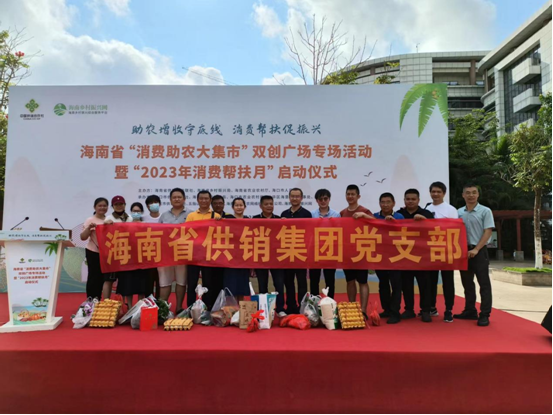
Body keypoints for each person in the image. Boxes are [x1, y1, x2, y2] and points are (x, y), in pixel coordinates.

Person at [356, 192, 404, 324]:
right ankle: (387, 309)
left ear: (393, 203)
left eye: (388, 202)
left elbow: (404, 232)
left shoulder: (399, 216)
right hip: (380, 256)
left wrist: (394, 223)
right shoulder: (375, 216)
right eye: (383, 202)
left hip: (395, 257)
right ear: (379, 203)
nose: (385, 204)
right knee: (383, 284)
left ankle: (395, 312)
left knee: (396, 285)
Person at [455, 184, 494, 327]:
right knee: (467, 283)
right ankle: (470, 310)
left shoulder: (485, 211)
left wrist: (476, 249)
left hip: (479, 251)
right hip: (463, 252)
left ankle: (484, 314)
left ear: (478, 195)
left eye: (474, 192)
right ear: (463, 195)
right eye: (468, 193)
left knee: (484, 284)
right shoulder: (458, 212)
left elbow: (488, 231)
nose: (471, 195)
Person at [397, 189, 434, 323]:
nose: (410, 201)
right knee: (406, 284)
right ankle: (409, 309)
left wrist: (425, 221)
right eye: (408, 199)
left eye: (413, 199)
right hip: (404, 255)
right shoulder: (399, 214)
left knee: (424, 284)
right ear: (404, 200)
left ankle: (425, 310)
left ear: (418, 200)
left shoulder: (426, 213)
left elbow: (435, 230)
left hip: (422, 256)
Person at [425, 181, 459, 323]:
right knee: (431, 281)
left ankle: (448, 310)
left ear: (444, 193)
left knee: (447, 281)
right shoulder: (427, 208)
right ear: (430, 193)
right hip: (431, 250)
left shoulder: (451, 209)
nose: (436, 194)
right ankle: (432, 307)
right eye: (433, 191)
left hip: (446, 251)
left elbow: (455, 229)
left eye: (439, 192)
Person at [186, 190, 222, 310]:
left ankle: (207, 307)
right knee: (192, 282)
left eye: (206, 199)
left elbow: (219, 235)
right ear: (197, 200)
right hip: (193, 254)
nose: (204, 201)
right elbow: (186, 232)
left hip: (209, 255)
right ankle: (190, 307)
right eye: (201, 198)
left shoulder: (216, 216)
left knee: (208, 282)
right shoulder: (191, 216)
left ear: (210, 200)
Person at [341, 184, 373, 318]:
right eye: (348, 194)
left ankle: (363, 310)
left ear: (358, 196)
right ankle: (353, 308)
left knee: (362, 281)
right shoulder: (342, 213)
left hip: (361, 251)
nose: (350, 196)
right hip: (347, 252)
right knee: (350, 281)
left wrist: (364, 216)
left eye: (353, 194)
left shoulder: (364, 210)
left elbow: (377, 222)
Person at [252, 195, 287, 317]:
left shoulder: (279, 220)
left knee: (279, 284)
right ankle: (264, 309)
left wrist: (286, 223)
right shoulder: (254, 220)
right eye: (266, 204)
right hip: (261, 256)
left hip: (276, 257)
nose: (269, 206)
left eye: (271, 204)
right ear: (260, 206)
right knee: (262, 284)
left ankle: (280, 308)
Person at [281, 188, 312, 314]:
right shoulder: (284, 214)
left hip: (301, 252)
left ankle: (303, 307)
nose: (294, 198)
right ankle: (291, 306)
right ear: (289, 198)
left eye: (297, 196)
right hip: (287, 253)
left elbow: (310, 233)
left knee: (302, 282)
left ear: (301, 198)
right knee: (288, 282)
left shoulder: (307, 214)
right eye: (292, 196)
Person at [158, 188, 189, 313]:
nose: (177, 199)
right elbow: (157, 234)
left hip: (183, 253)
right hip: (166, 254)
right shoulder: (164, 216)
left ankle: (179, 307)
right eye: (174, 197)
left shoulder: (191, 215)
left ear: (184, 199)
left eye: (179, 197)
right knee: (164, 282)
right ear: (170, 200)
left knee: (181, 282)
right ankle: (163, 309)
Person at [115, 202, 149, 308]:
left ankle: (139, 306)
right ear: (131, 212)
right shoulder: (125, 225)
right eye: (134, 211)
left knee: (141, 285)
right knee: (128, 284)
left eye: (138, 211)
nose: (136, 213)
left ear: (142, 212)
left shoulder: (146, 225)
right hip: (128, 258)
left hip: (142, 259)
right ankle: (130, 307)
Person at [309, 188, 341, 298]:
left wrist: (334, 224)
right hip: (315, 250)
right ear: (317, 200)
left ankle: (330, 302)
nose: (323, 201)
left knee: (330, 279)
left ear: (329, 199)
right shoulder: (311, 214)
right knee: (314, 279)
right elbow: (307, 231)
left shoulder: (336, 214)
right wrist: (316, 223)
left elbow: (340, 232)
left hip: (330, 250)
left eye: (325, 199)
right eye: (320, 199)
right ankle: (314, 302)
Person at [80, 197, 109, 300]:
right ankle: (91, 299)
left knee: (103, 278)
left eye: (104, 206)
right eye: (99, 206)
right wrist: (89, 228)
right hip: (93, 251)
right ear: (95, 207)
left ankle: (99, 299)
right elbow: (83, 237)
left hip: (106, 253)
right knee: (93, 276)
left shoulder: (109, 220)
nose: (102, 208)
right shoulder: (90, 220)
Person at [222, 197, 251, 302]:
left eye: (241, 205)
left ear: (245, 207)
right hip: (230, 256)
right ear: (233, 207)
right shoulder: (227, 219)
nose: (239, 207)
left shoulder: (249, 221)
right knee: (231, 283)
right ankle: (231, 307)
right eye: (236, 205)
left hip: (244, 257)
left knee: (242, 283)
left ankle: (240, 307)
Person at [103, 195, 131, 300]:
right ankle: (106, 302)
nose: (119, 206)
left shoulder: (130, 218)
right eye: (116, 204)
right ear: (112, 206)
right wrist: (105, 225)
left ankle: (123, 303)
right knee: (109, 279)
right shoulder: (108, 218)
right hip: (112, 253)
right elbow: (104, 234)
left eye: (121, 204)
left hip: (126, 253)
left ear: (125, 205)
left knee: (125, 280)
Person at [142, 195, 161, 299]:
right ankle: (148, 301)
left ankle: (159, 302)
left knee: (160, 281)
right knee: (148, 280)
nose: (153, 205)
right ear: (147, 206)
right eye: (150, 203)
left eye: (155, 202)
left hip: (161, 253)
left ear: (160, 204)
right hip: (147, 253)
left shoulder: (164, 217)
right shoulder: (143, 219)